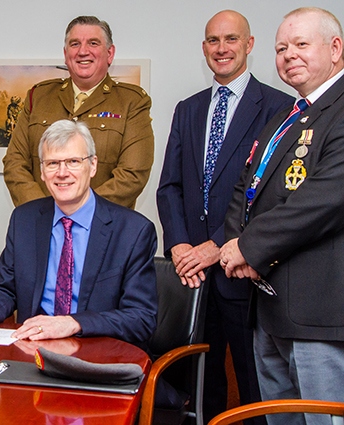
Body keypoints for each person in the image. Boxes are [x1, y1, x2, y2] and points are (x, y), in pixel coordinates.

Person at [156, 11, 294, 422]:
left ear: (249, 45)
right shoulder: (188, 109)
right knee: (197, 381)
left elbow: (271, 196)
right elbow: (169, 187)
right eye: (213, 40)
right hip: (191, 277)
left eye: (231, 39)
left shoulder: (279, 107)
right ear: (204, 49)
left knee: (253, 384)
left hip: (242, 270)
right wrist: (181, 246)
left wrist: (216, 245)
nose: (221, 48)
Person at [220, 7, 344, 424]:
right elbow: (246, 186)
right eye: (281, 48)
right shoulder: (288, 115)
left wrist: (249, 247)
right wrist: (234, 244)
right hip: (270, 310)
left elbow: (324, 199)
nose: (289, 55)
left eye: (301, 44)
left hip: (319, 315)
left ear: (336, 48)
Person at [0, 119, 157, 345]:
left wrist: (74, 323)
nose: (62, 173)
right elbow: (5, 289)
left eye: (74, 161)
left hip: (98, 356)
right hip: (31, 352)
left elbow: (141, 318)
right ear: (42, 172)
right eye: (52, 163)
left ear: (93, 165)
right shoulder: (24, 220)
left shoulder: (133, 231)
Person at [3, 15, 154, 209]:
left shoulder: (132, 102)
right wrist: (44, 212)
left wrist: (82, 212)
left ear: (109, 53)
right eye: (75, 44)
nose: (83, 51)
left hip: (104, 229)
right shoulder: (38, 97)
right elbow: (14, 163)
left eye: (93, 43)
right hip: (40, 226)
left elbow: (133, 175)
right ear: (66, 54)